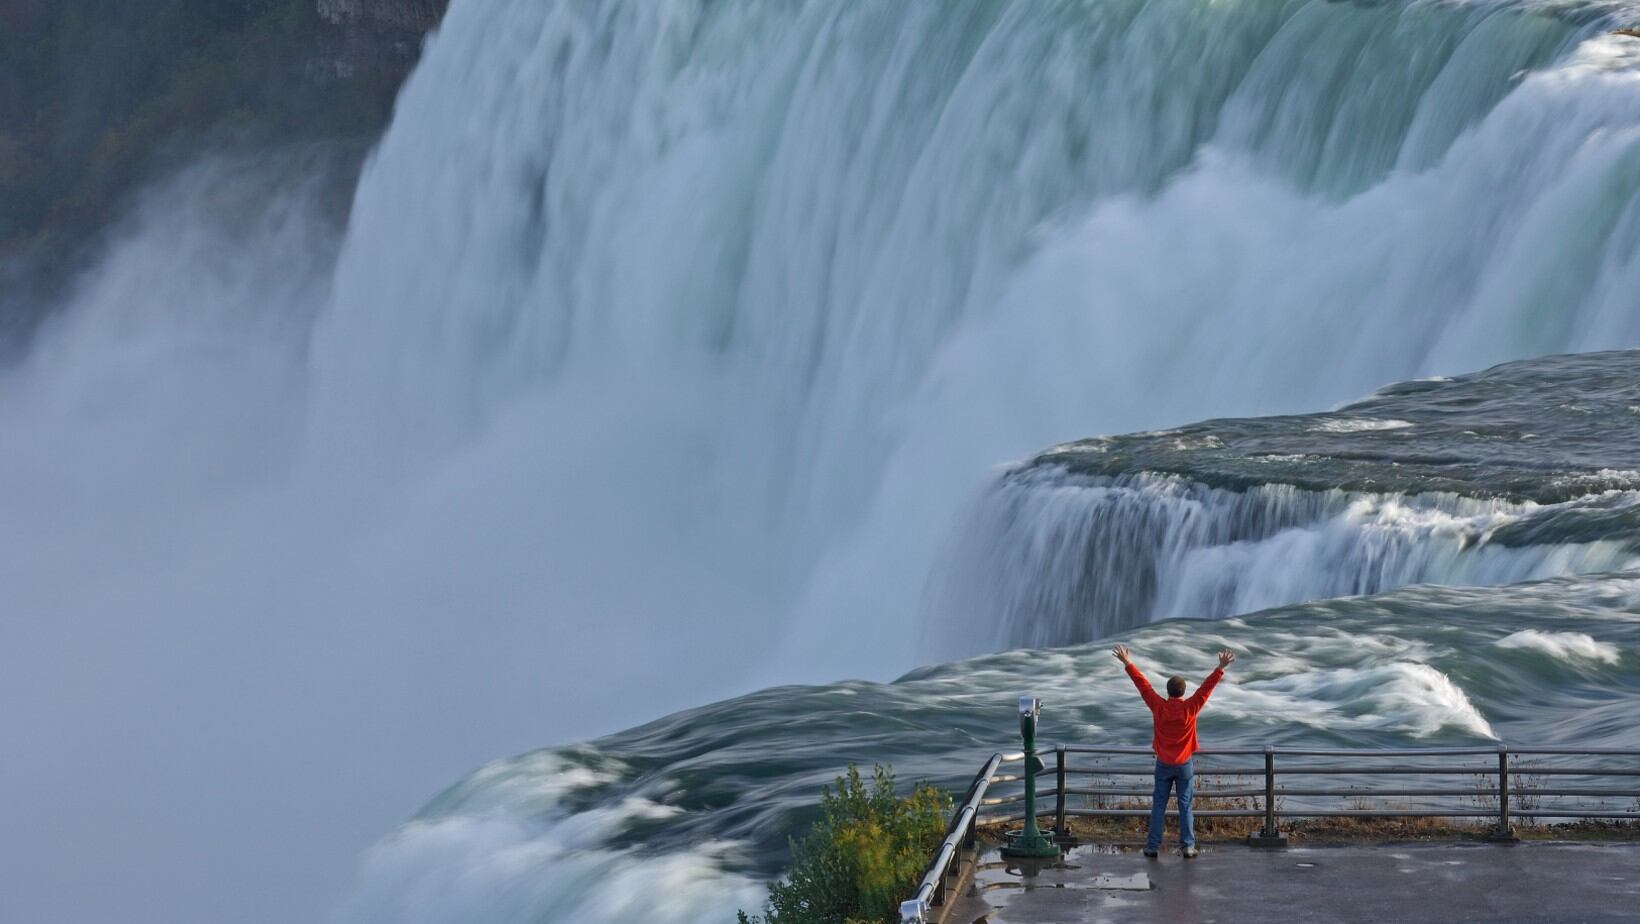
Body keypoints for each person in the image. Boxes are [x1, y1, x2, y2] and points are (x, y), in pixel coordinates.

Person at [1112, 644, 1235, 859]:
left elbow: (1143, 686)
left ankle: (1152, 846)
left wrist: (1127, 662)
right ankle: (1187, 846)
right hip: (1184, 763)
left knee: (1158, 804)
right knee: (1185, 805)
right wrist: (1220, 668)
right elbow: (1206, 689)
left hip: (1163, 763)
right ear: (1184, 692)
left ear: (1167, 692)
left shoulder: (1158, 707)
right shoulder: (1191, 708)